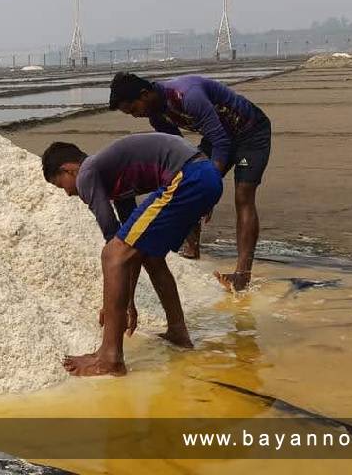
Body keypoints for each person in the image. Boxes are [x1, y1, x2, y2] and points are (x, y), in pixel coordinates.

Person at [42, 133, 222, 376]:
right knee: (150, 256)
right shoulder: (114, 176)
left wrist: (118, 305)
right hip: (206, 175)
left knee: (110, 255)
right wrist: (128, 301)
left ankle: (110, 358)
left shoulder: (86, 174)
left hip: (188, 177)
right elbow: (132, 247)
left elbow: (113, 245)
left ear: (69, 170)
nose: (67, 193)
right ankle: (178, 332)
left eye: (60, 184)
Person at [108, 72, 272, 292]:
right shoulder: (157, 117)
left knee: (243, 195)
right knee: (187, 183)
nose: (136, 116)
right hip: (217, 135)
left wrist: (210, 190)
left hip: (249, 131)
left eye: (134, 109)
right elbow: (180, 153)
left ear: (145, 94)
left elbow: (221, 142)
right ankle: (191, 248)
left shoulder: (187, 95)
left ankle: (242, 274)